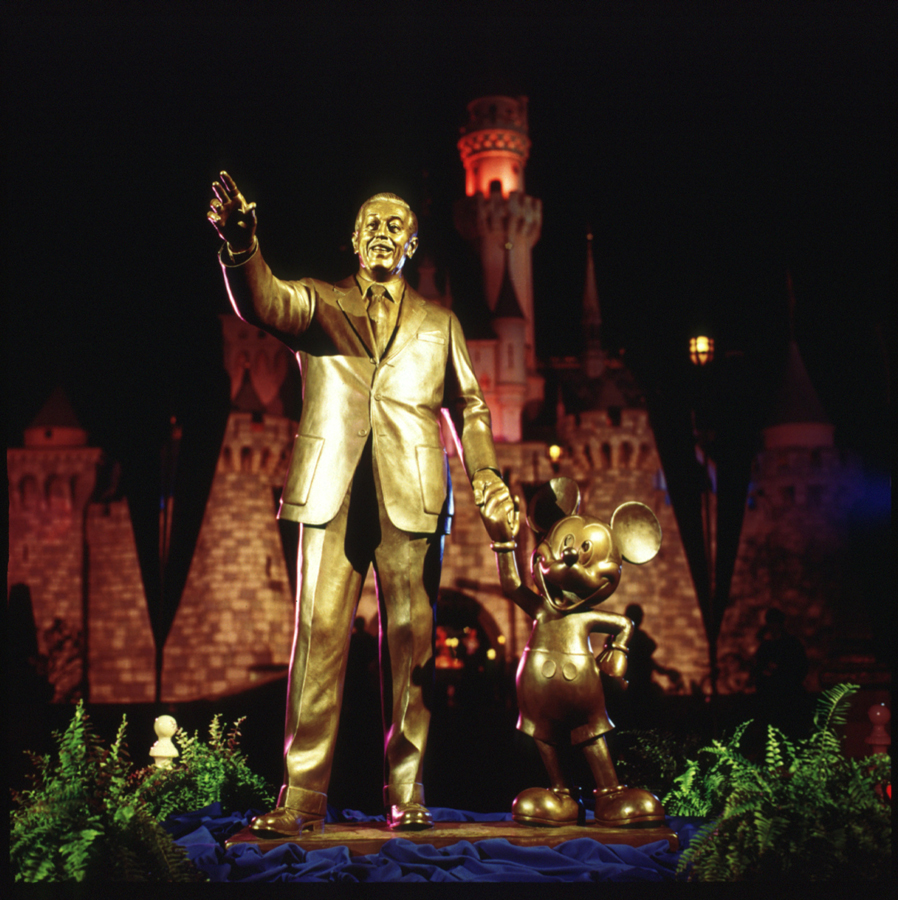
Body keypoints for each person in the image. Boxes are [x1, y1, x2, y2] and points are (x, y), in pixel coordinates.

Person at [208, 172, 515, 835]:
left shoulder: (441, 324)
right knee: (317, 644)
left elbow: (473, 408)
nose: (383, 233)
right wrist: (242, 248)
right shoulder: (319, 303)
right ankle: (301, 800)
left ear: (412, 243)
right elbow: (262, 303)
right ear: (353, 239)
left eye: (395, 225)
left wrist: (486, 478)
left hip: (413, 500)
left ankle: (407, 796)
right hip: (331, 494)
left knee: (412, 652)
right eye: (371, 223)